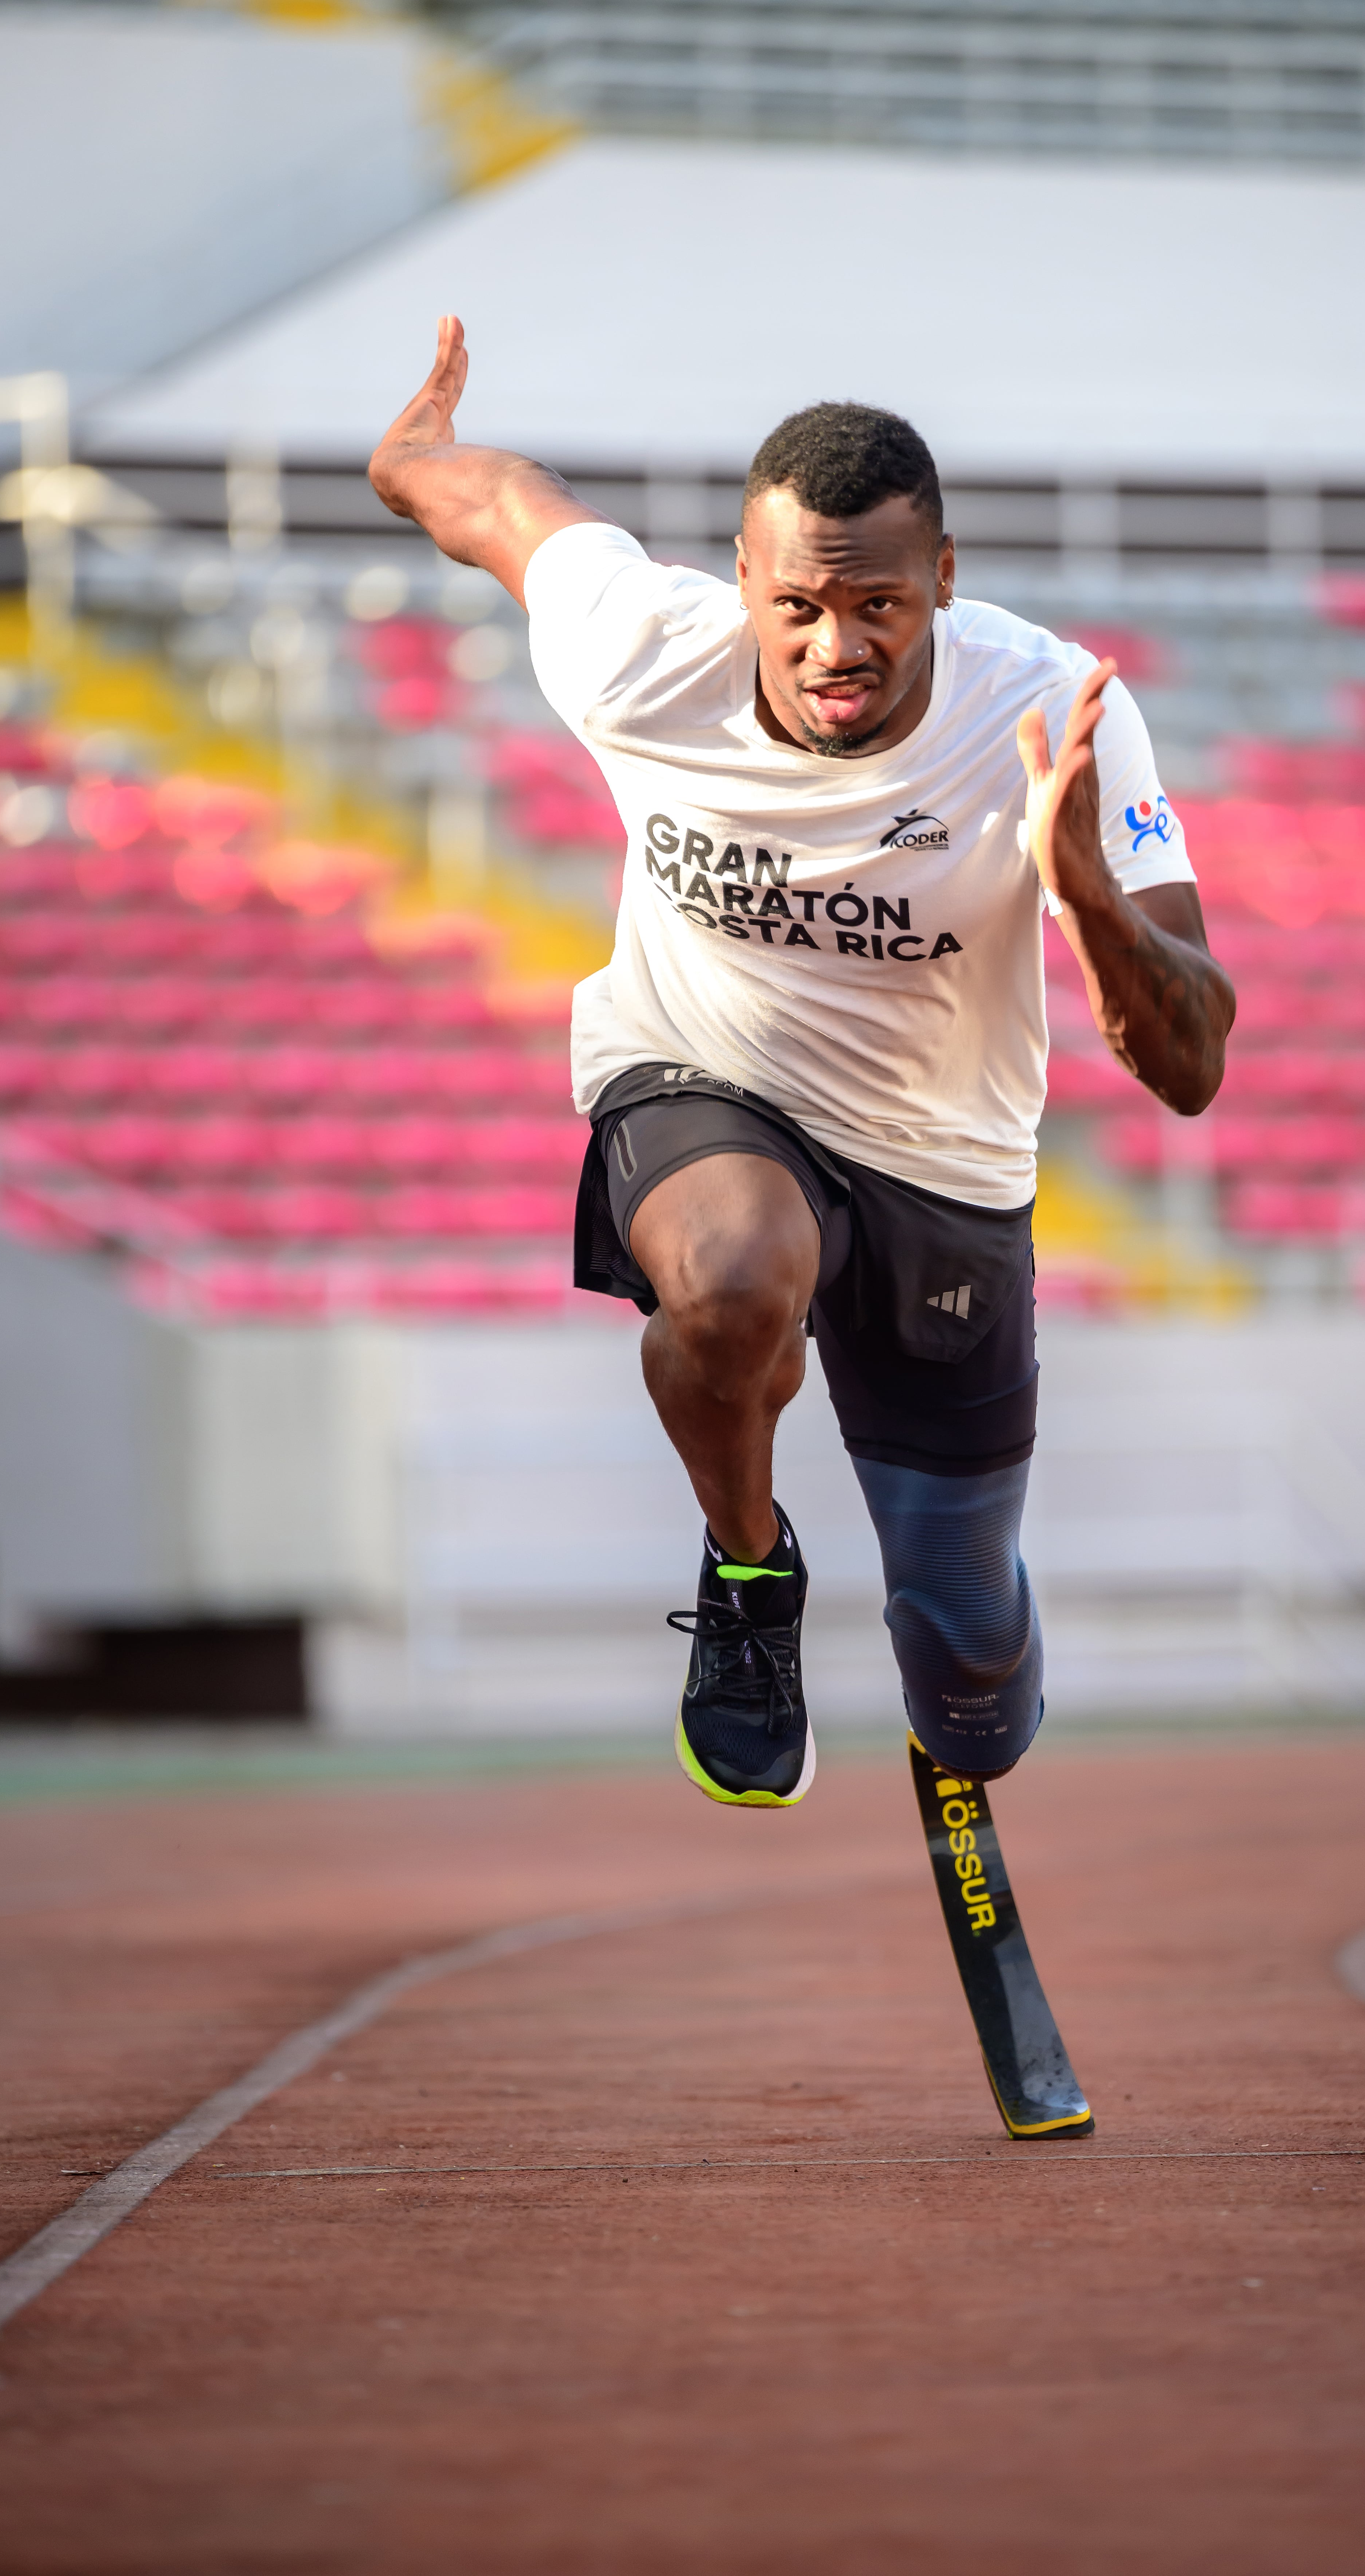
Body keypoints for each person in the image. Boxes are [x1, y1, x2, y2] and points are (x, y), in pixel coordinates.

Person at [371, 317, 1234, 1809]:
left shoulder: (1053, 712)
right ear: (743, 581)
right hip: (703, 1080)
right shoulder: (644, 647)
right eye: (798, 608)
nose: (836, 649)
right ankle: (748, 1575)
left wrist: (1082, 890)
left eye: (880, 607)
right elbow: (503, 511)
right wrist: (408, 463)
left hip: (943, 1166)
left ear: (943, 585)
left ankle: (960, 1683)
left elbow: (1191, 1062)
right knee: (730, 1282)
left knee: (969, 1672)